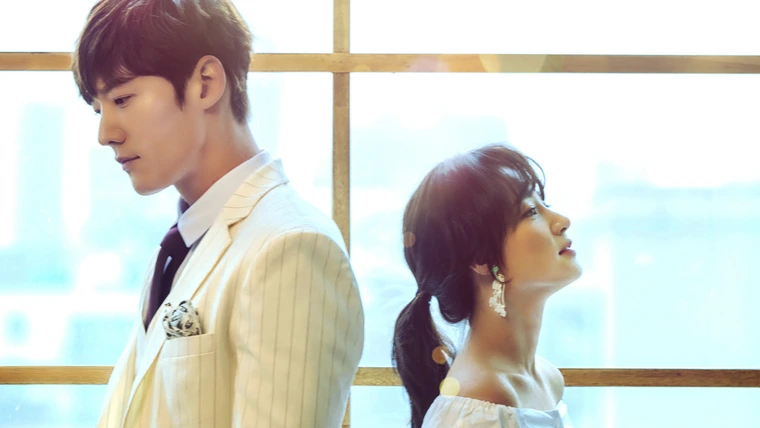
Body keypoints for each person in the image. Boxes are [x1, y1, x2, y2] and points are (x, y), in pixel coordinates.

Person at [71, 0, 364, 426]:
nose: (105, 134)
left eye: (122, 98)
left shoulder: (291, 247)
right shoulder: (176, 247)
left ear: (205, 83)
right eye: (99, 110)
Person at [392, 143, 580, 427]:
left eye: (546, 205)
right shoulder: (479, 403)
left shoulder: (546, 378)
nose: (562, 221)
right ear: (481, 258)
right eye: (531, 211)